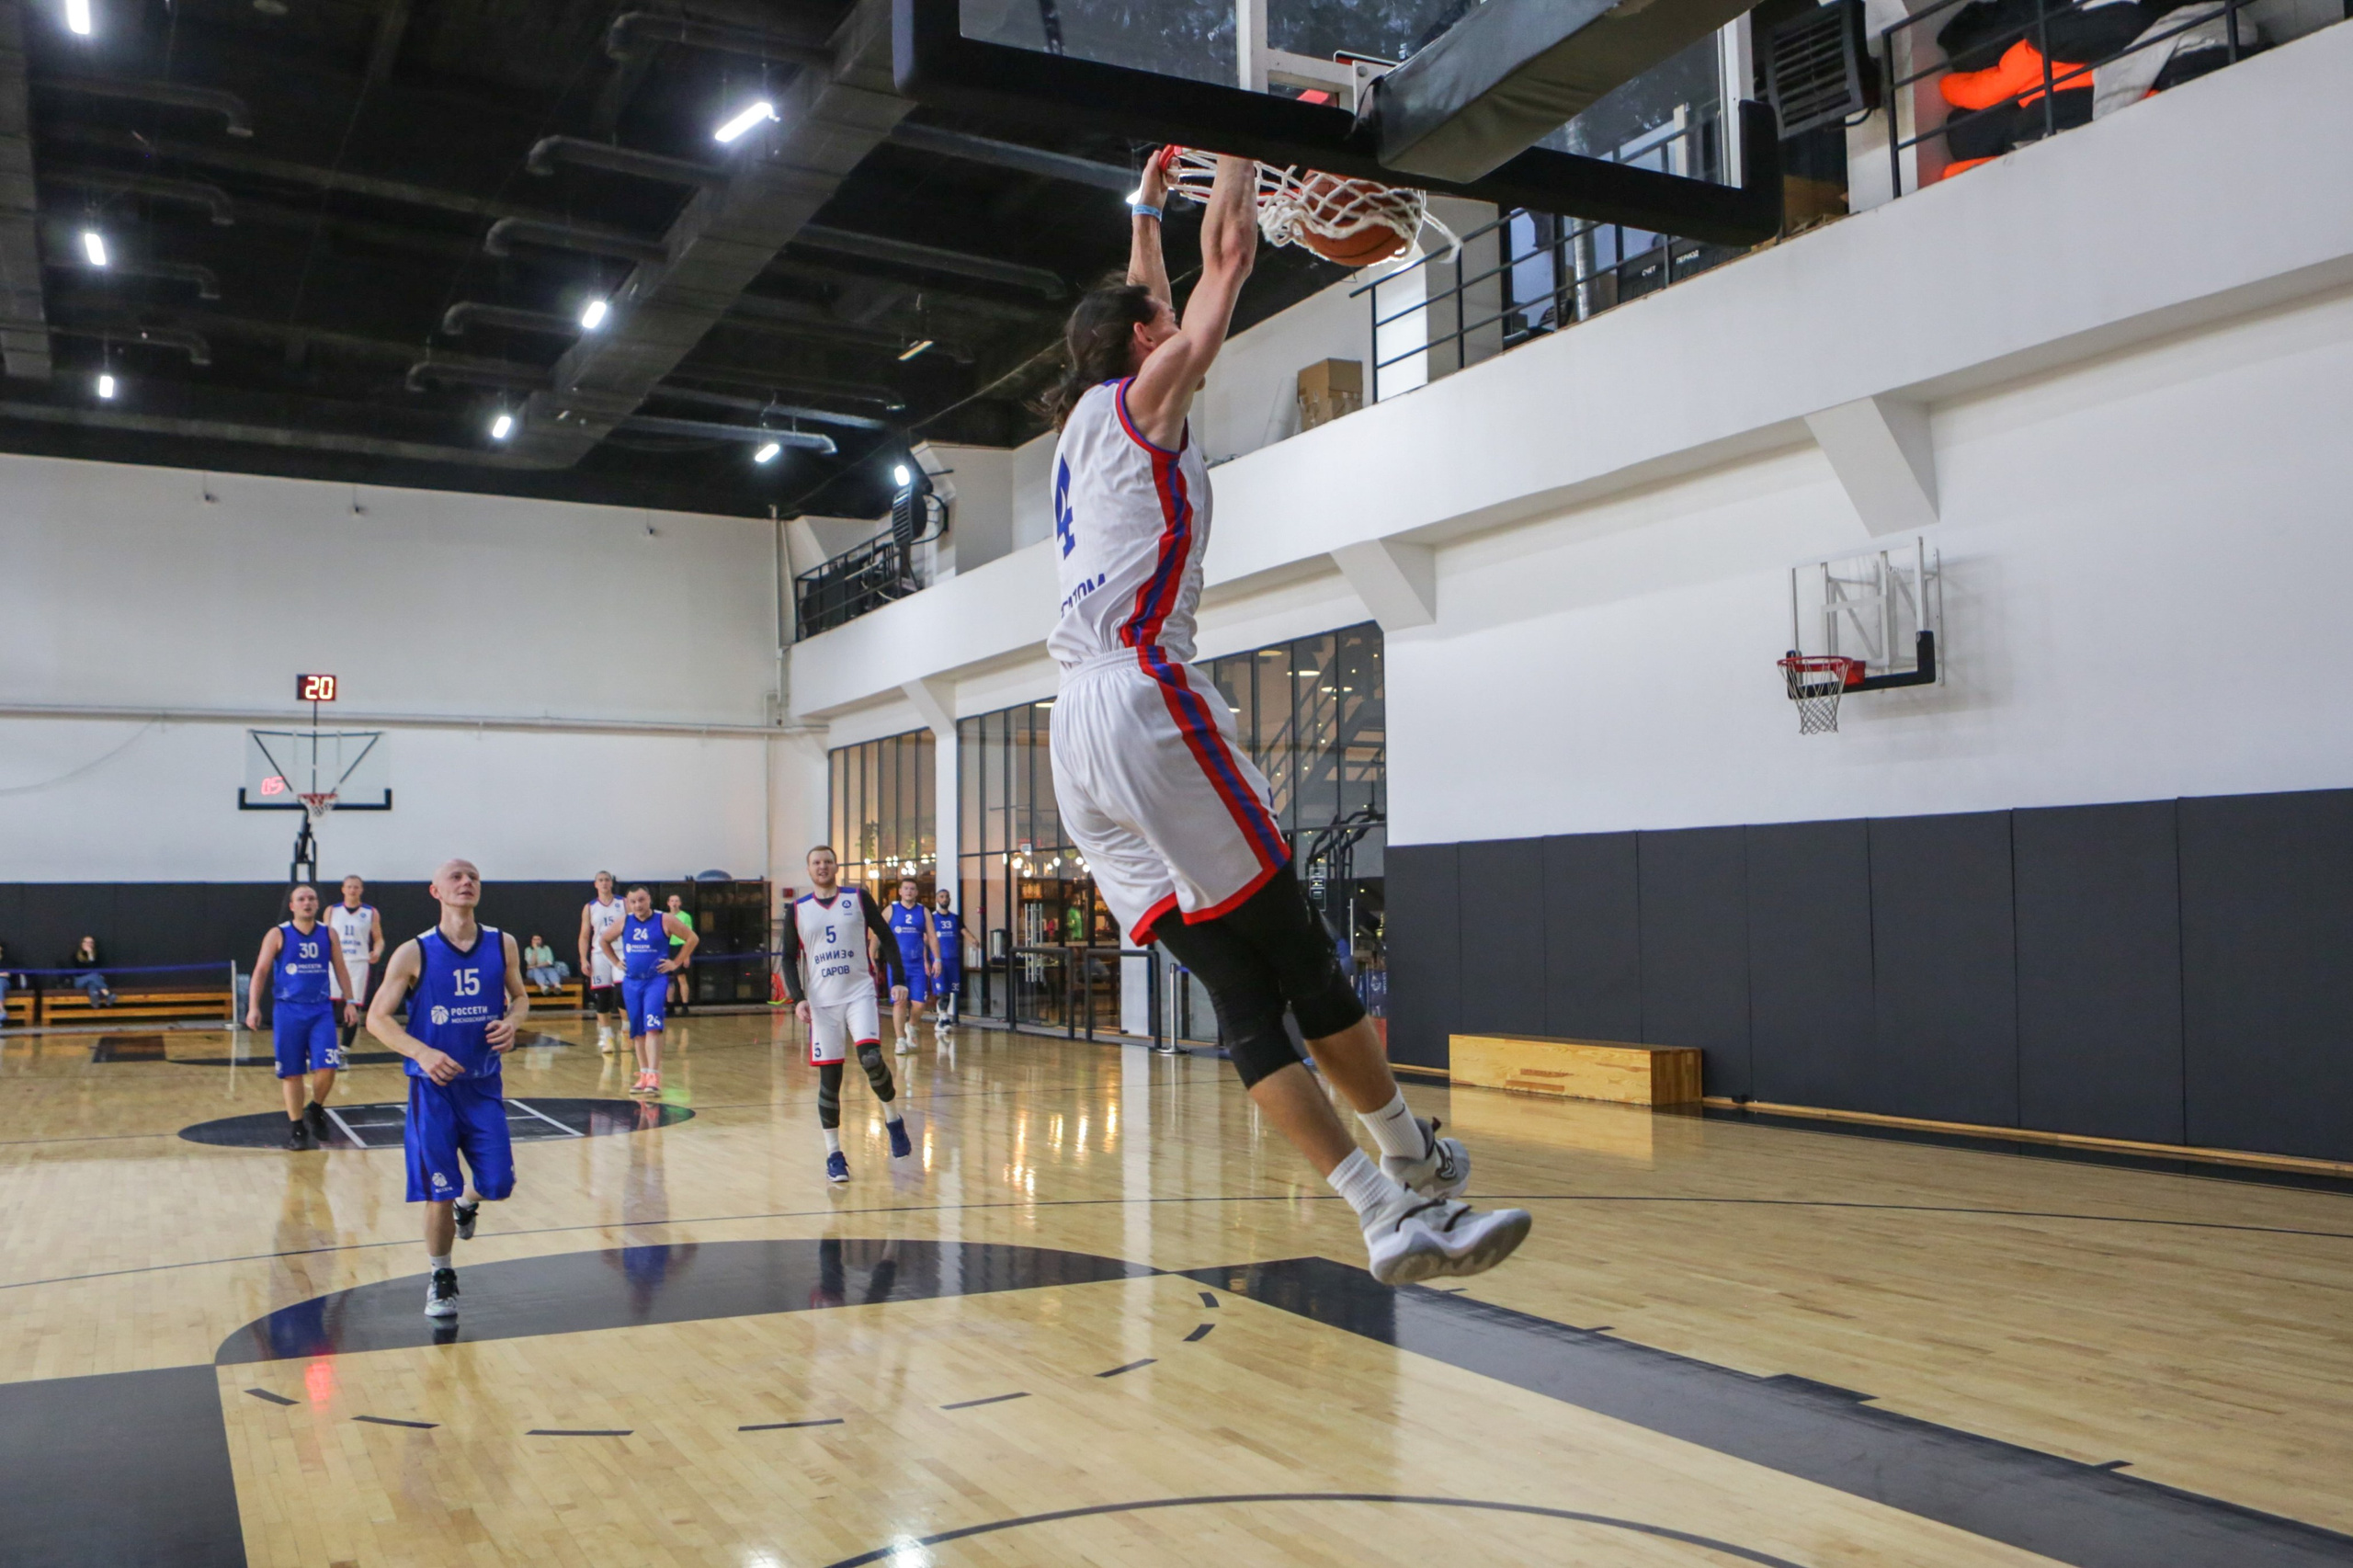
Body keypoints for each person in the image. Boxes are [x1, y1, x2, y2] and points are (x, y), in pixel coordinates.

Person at [1041, 151, 1528, 1287]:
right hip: (1142, 697)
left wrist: (1144, 208)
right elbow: (1225, 262)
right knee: (1298, 947)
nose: (1174, 324)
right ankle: (1412, 1159)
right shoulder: (1146, 398)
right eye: (1159, 323)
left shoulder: (1084, 425)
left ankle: (1380, 1211)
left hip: (1074, 734)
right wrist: (1242, 143)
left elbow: (1151, 293)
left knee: (1239, 989)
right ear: (1142, 342)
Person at [367, 858, 529, 1320]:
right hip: (433, 1090)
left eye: (473, 876)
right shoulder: (413, 952)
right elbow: (377, 1018)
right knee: (437, 1188)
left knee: (498, 1184)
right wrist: (421, 1052)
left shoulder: (502, 943)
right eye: (455, 877)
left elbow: (520, 997)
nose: (466, 882)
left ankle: (467, 1202)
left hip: (483, 1085)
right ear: (435, 891)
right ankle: (441, 1274)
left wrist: (513, 1022)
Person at [779, 845, 911, 1184]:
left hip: (858, 993)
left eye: (827, 861)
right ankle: (834, 1155)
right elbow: (788, 958)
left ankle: (893, 1120)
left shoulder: (858, 897)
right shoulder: (798, 910)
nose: (822, 867)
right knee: (830, 1081)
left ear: (837, 866)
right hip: (823, 1004)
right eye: (816, 863)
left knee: (870, 1059)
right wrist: (798, 999)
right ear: (809, 869)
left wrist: (898, 980)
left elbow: (887, 938)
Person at [246, 885, 358, 1152]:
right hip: (288, 1011)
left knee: (328, 1066)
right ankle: (297, 1128)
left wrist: (350, 1001)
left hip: (320, 1009)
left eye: (311, 898)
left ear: (317, 904)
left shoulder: (328, 933)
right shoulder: (278, 934)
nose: (307, 902)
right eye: (301, 899)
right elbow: (260, 971)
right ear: (292, 905)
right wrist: (253, 1007)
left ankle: (315, 1107)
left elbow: (340, 968)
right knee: (292, 1072)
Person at [598, 886, 697, 1095]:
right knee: (637, 1031)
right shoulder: (625, 921)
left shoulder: (664, 920)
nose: (638, 905)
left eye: (641, 900)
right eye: (633, 902)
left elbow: (692, 938)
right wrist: (616, 962)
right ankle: (643, 1075)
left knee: (653, 1026)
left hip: (655, 981)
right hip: (632, 982)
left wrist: (676, 962)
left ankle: (654, 1075)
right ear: (627, 903)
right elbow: (604, 940)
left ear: (649, 899)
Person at [327, 874, 383, 1056]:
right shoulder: (332, 910)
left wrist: (377, 951)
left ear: (361, 890)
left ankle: (344, 1051)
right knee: (328, 1006)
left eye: (356, 887)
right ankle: (325, 1047)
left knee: (352, 1008)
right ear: (343, 889)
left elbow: (379, 939)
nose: (352, 890)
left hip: (358, 963)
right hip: (335, 962)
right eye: (349, 886)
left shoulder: (370, 912)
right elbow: (324, 935)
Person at [884, 877, 939, 1054]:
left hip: (917, 965)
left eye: (912, 889)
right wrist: (871, 954)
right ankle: (900, 1040)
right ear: (900, 891)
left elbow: (932, 936)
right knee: (899, 1002)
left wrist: (937, 959)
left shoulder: (923, 911)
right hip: (897, 965)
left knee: (919, 1004)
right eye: (906, 888)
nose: (909, 891)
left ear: (916, 892)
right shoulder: (891, 910)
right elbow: (877, 934)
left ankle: (912, 1025)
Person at [578, 872, 627, 1051]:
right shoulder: (590, 907)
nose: (604, 883)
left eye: (607, 880)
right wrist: (583, 959)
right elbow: (584, 935)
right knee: (603, 996)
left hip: (620, 952)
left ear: (611, 883)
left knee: (622, 993)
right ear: (595, 884)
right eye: (601, 880)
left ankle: (626, 1030)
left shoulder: (624, 903)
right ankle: (607, 1037)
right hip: (599, 954)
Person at [930, 888, 964, 1030]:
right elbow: (927, 937)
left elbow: (963, 930)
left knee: (950, 989)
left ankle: (941, 1019)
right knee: (941, 989)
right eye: (942, 896)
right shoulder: (932, 918)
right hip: (938, 959)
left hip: (953, 959)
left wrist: (974, 940)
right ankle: (944, 1016)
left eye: (947, 896)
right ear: (937, 899)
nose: (945, 899)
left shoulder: (955, 918)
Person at [664, 892, 695, 1015]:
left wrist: (686, 955)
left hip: (681, 948)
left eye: (676, 901)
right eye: (672, 901)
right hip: (668, 948)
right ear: (668, 903)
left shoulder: (685, 917)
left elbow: (690, 936)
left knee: (681, 978)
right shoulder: (664, 917)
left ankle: (685, 1005)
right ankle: (670, 1005)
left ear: (680, 903)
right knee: (669, 979)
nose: (674, 903)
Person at [63, 936, 114, 1006]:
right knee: (94, 976)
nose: (88, 944)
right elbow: (79, 971)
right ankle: (108, 994)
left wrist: (90, 956)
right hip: (79, 981)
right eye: (86, 942)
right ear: (82, 944)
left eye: (90, 942)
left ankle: (95, 1001)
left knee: (92, 984)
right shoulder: (75, 956)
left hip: (94, 981)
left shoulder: (97, 956)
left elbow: (97, 968)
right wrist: (95, 975)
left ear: (93, 945)